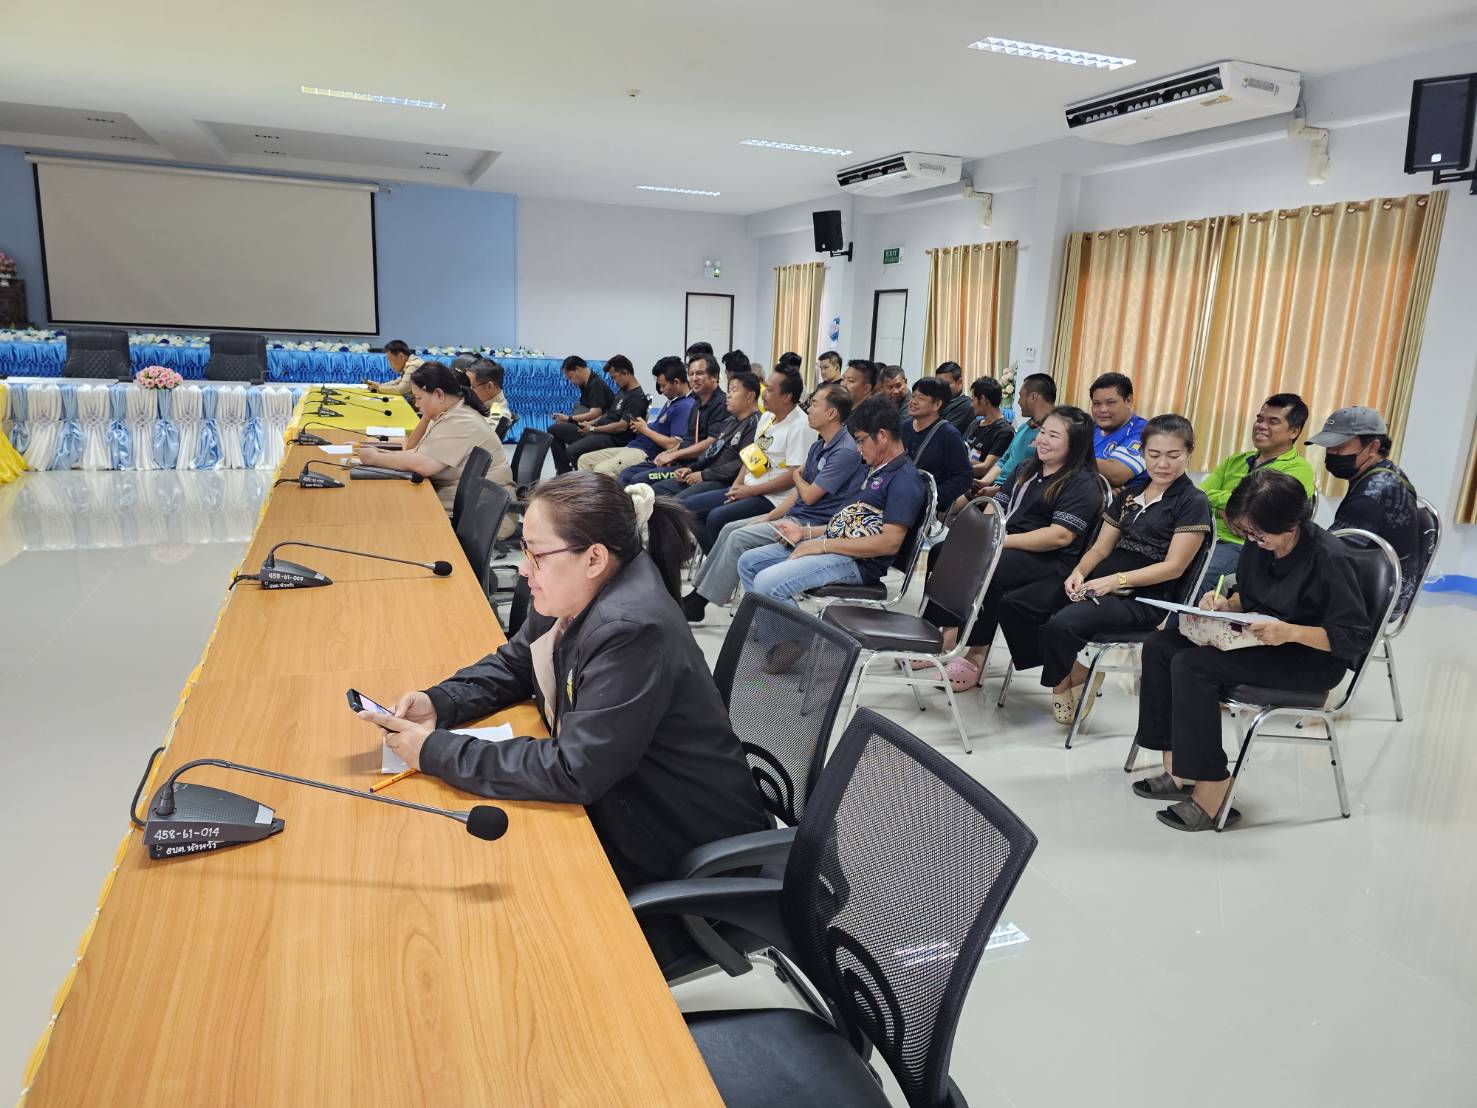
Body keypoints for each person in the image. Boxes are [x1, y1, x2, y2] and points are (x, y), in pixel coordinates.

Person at [358, 474, 770, 964]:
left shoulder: (631, 629)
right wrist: (441, 701)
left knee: (503, 939)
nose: (524, 569)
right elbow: (517, 663)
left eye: (536, 554)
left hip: (677, 846)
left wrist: (435, 751)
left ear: (594, 557)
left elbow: (576, 769)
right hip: (626, 804)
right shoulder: (578, 590)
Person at [1132, 468, 1374, 832]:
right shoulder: (1260, 545)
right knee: (1160, 645)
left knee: (1193, 665)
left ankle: (1213, 787)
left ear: (1291, 524)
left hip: (1309, 659)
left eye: (1259, 534)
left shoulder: (1329, 559)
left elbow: (1353, 638)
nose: (1252, 540)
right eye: (1247, 533)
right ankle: (1178, 767)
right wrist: (1225, 603)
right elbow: (1252, 594)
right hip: (1260, 639)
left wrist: (1290, 632)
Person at [996, 415, 1212, 722]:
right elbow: (1100, 548)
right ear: (1143, 453)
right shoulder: (1130, 495)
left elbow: (1174, 567)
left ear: (1189, 453)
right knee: (1015, 604)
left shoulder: (1192, 501)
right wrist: (1079, 573)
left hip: (1144, 596)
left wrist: (1115, 581)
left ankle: (1064, 680)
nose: (1162, 464)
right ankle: (1069, 668)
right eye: (1154, 454)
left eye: (1173, 455)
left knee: (1062, 624)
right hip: (1101, 581)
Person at [920, 406, 1104, 692]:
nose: (1042, 440)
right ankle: (943, 633)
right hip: (1008, 544)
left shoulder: (1082, 482)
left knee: (990, 568)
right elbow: (997, 508)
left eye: (1054, 436)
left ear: (1075, 443)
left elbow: (1060, 536)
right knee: (943, 551)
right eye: (1043, 432)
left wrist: (998, 542)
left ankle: (976, 654)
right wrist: (984, 534)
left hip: (1050, 559)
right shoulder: (1026, 469)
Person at [682, 383, 863, 622]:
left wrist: (796, 475)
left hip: (811, 525)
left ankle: (700, 602)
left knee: (738, 537)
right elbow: (798, 492)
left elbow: (808, 494)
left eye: (814, 404)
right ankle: (700, 595)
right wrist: (768, 517)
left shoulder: (844, 451)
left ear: (831, 413)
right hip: (793, 516)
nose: (809, 409)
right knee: (729, 528)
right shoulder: (820, 445)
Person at [737, 397, 924, 629]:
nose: (858, 448)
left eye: (861, 440)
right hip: (836, 546)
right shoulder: (871, 469)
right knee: (749, 562)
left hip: (858, 562)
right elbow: (849, 524)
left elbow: (889, 543)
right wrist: (806, 533)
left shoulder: (904, 480)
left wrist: (822, 546)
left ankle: (797, 645)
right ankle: (773, 636)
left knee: (767, 583)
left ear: (883, 436)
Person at [356, 361, 514, 520]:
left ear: (439, 394)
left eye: (419, 398)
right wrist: (382, 453)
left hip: (484, 513)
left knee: (392, 510)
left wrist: (375, 458)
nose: (417, 404)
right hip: (467, 500)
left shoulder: (462, 419)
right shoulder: (449, 411)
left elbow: (423, 465)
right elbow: (416, 451)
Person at [681, 369, 815, 551]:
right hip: (748, 488)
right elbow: (752, 455)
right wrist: (736, 486)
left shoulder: (800, 426)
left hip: (772, 498)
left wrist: (750, 491)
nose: (763, 394)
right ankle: (715, 559)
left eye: (769, 390)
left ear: (787, 397)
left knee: (716, 517)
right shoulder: (767, 417)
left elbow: (794, 476)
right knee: (688, 508)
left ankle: (722, 563)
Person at [1311, 406, 1422, 614]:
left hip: (1378, 596)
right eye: (1328, 447)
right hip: (1384, 582)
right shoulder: (1387, 471)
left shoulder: (1373, 494)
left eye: (1339, 446)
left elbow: (1330, 555)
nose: (1332, 453)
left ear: (1373, 447)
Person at [1199, 393, 1315, 585]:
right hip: (1206, 534)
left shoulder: (1298, 469)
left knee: (1200, 573)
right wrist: (1225, 510)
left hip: (1247, 545)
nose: (1261, 425)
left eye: (1273, 421)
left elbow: (1264, 510)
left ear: (1294, 431)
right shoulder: (1235, 460)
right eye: (1259, 419)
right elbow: (1198, 495)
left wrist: (1227, 506)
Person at [644, 371, 763, 499]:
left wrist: (703, 475)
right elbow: (712, 451)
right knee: (655, 490)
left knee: (677, 502)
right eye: (728, 391)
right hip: (705, 474)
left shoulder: (756, 424)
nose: (728, 395)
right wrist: (691, 468)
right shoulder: (729, 421)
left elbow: (741, 465)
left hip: (723, 482)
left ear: (750, 397)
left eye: (734, 391)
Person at [617, 353, 727, 487]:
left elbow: (711, 443)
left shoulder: (721, 403)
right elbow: (687, 440)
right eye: (691, 374)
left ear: (714, 376)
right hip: (679, 460)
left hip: (693, 467)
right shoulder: (697, 401)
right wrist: (669, 453)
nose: (694, 378)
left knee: (640, 481)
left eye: (699, 373)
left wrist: (674, 455)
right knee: (627, 474)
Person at [578, 357, 693, 477]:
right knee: (584, 460)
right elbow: (660, 428)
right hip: (633, 446)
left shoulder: (685, 406)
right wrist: (642, 427)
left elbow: (673, 445)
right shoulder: (673, 401)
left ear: (676, 382)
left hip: (645, 453)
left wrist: (645, 430)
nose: (661, 390)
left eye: (663, 386)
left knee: (601, 470)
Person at [552, 355, 650, 473]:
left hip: (613, 438)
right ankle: (565, 473)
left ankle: (582, 480)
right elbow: (608, 413)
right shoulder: (623, 391)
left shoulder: (636, 398)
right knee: (555, 430)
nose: (614, 381)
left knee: (572, 451)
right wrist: (591, 424)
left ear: (625, 372)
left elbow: (621, 426)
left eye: (614, 377)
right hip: (600, 430)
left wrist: (593, 429)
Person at [900, 377, 971, 514]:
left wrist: (931, 497)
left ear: (937, 404)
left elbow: (963, 477)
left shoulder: (949, 435)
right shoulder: (903, 427)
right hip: (897, 496)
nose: (913, 402)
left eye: (921, 398)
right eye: (913, 396)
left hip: (922, 507)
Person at [548, 356, 618, 473]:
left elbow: (595, 413)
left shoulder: (595, 384)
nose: (571, 382)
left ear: (577, 369)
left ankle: (564, 471)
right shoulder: (586, 384)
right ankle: (563, 470)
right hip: (590, 425)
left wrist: (569, 419)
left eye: (570, 377)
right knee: (556, 428)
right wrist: (567, 420)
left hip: (598, 430)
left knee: (553, 430)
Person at [1088, 372, 1149, 490]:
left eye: (1110, 403)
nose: (1102, 410)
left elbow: (1117, 474)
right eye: (1096, 404)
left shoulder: (1144, 431)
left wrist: (1071, 458)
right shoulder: (1089, 428)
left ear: (1128, 401)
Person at [966, 376, 1015, 480]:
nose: (971, 405)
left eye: (973, 399)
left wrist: (955, 471)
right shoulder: (975, 424)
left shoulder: (1005, 432)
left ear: (983, 400)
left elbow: (986, 468)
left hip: (979, 484)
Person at [469, 358, 514, 439]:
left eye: (472, 387)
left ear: (489, 386)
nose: (468, 390)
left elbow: (477, 439)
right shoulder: (482, 403)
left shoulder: (499, 415)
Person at [934, 362, 975, 435]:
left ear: (959, 382)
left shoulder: (966, 405)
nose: (940, 387)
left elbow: (944, 433)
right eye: (937, 384)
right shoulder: (936, 401)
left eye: (946, 384)